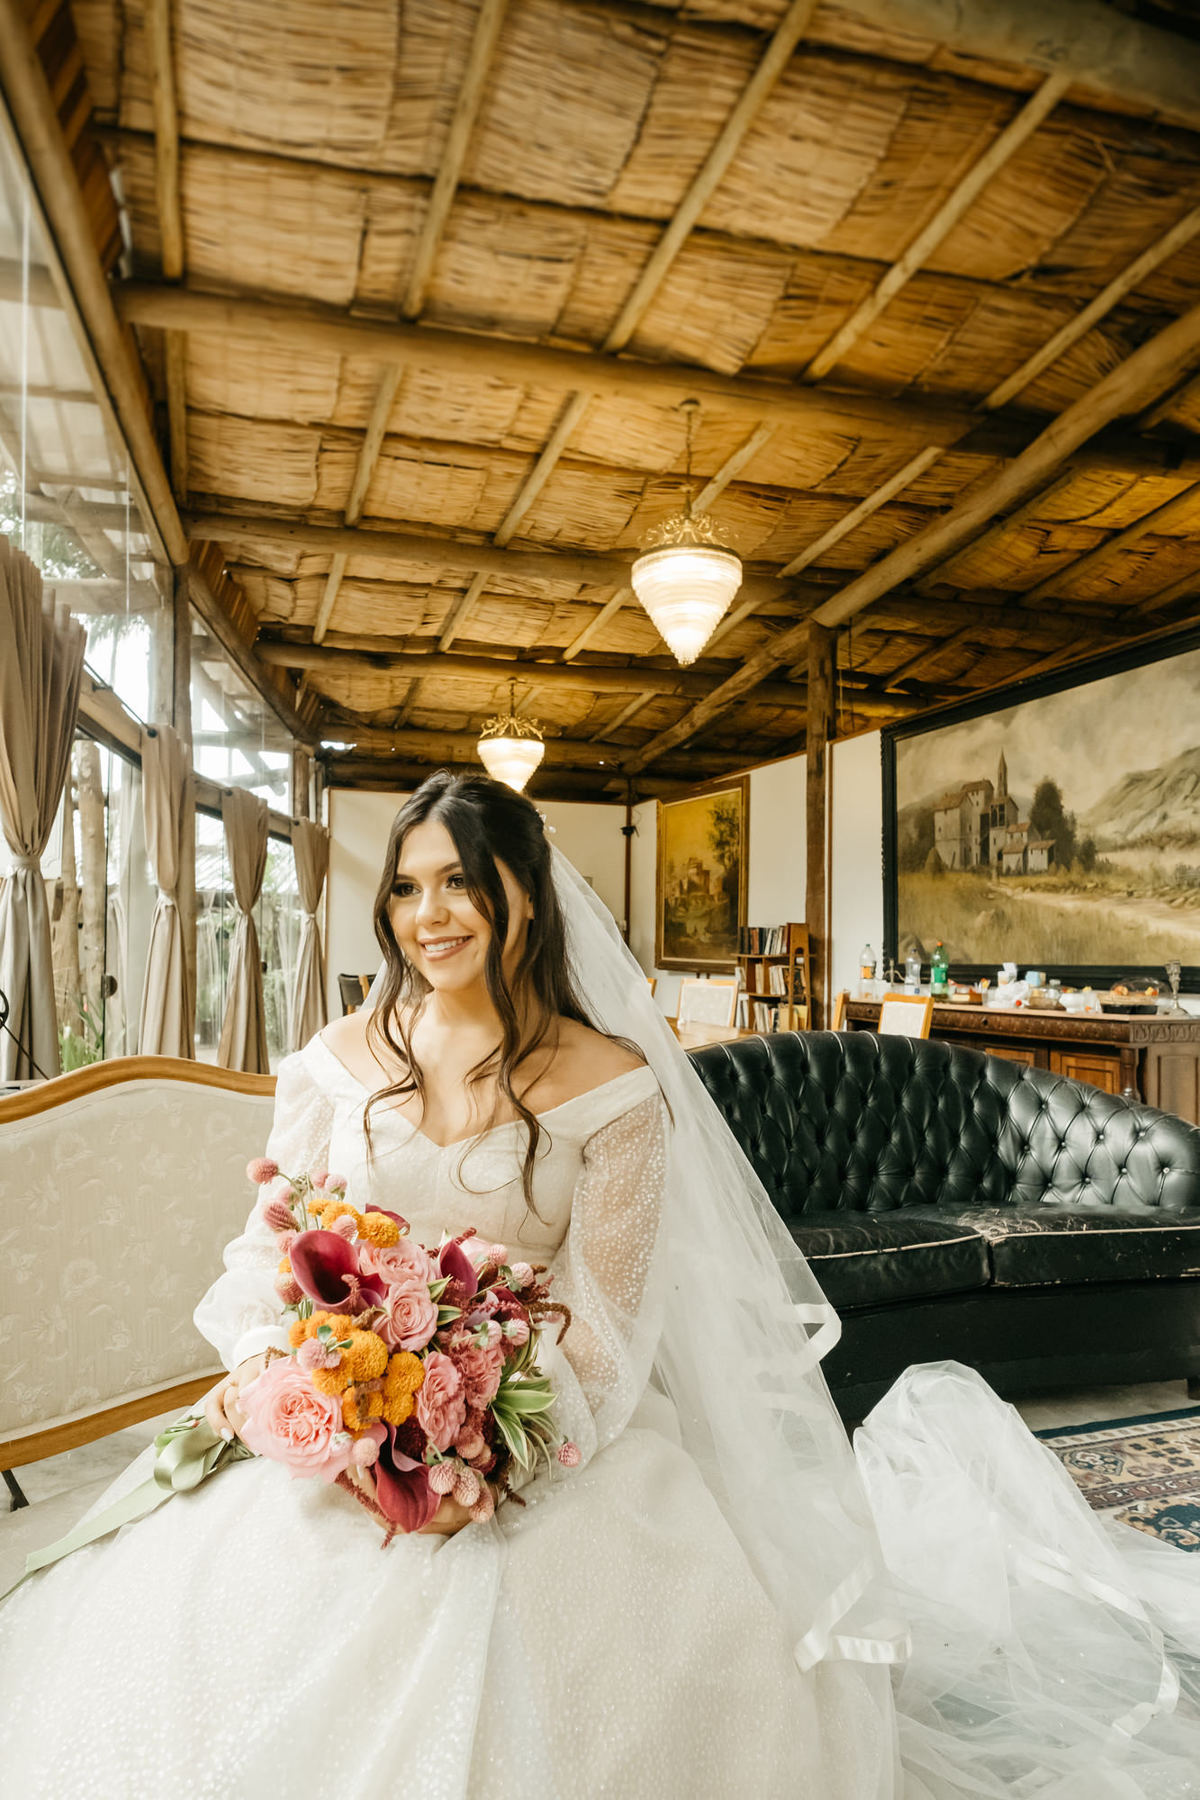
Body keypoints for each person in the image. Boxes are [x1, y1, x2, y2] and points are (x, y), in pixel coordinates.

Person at [4, 769, 1200, 1797]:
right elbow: (275, 1253)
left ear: (525, 894)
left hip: (537, 1426)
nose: (432, 915)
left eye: (463, 884)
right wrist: (300, 1385)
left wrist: (482, 1448)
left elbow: (609, 1325)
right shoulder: (334, 1060)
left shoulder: (616, 1085)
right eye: (409, 888)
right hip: (340, 1413)